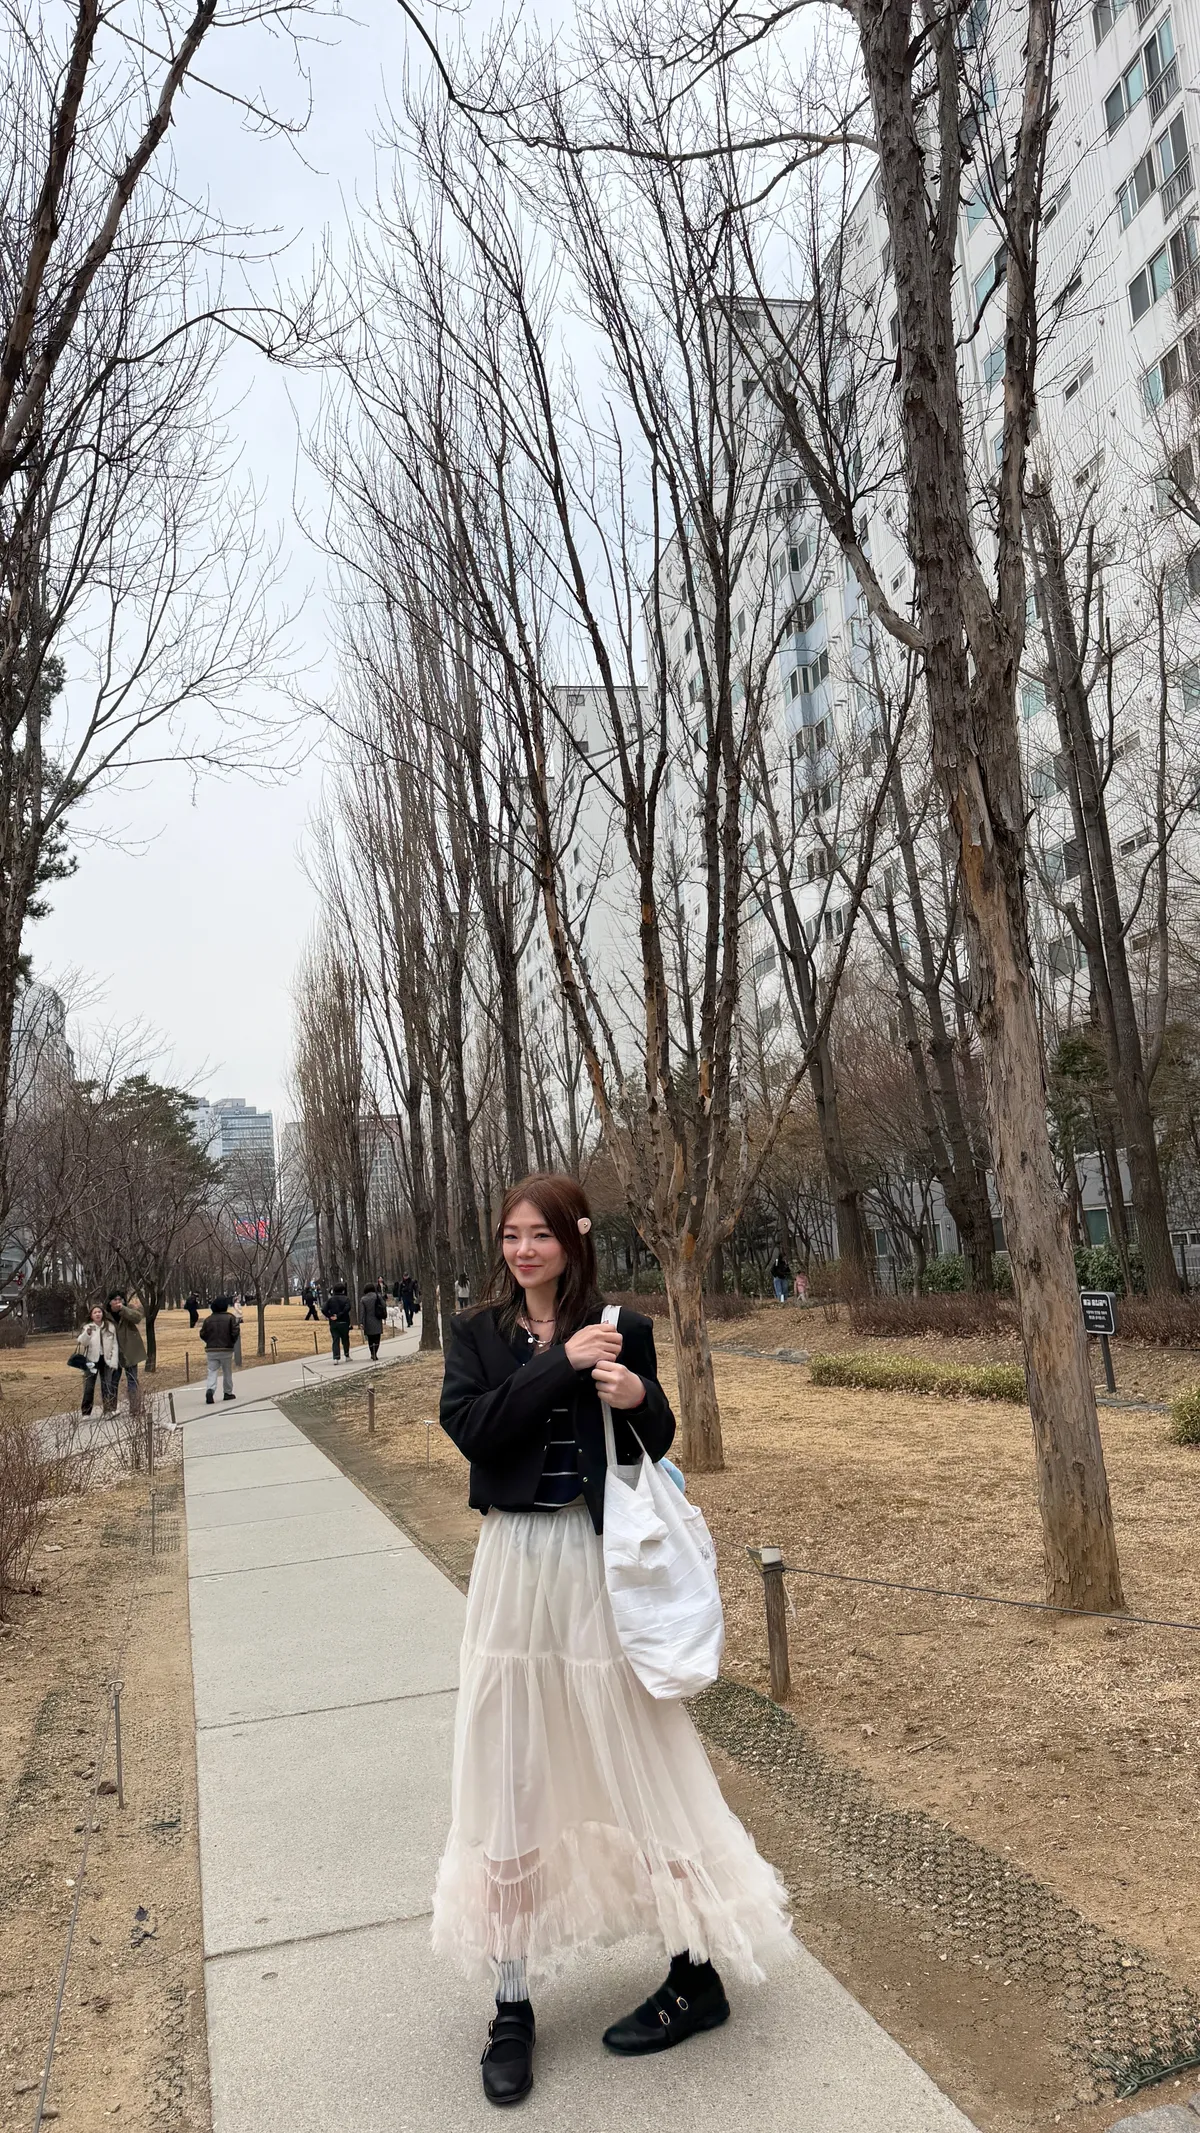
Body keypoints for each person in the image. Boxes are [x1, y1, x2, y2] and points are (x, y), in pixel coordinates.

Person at [434, 1171, 792, 2108]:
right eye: (511, 1235)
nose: (523, 1251)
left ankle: (695, 1970)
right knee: (511, 1763)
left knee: (641, 1747)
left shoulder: (622, 1324)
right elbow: (476, 1431)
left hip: (601, 1565)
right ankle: (511, 2000)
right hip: (515, 1566)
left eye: (540, 1234)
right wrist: (558, 1363)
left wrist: (634, 1392)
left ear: (574, 1238)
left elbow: (658, 1436)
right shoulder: (476, 1335)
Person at [75, 1304, 120, 1417]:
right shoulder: (88, 1327)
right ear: (91, 1315)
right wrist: (87, 1334)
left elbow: (115, 1344)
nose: (97, 1314)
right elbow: (82, 1342)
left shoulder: (110, 1326)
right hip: (91, 1360)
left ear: (103, 1313)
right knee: (89, 1387)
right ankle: (86, 1412)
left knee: (107, 1386)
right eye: (95, 1312)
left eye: (99, 1312)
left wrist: (114, 1361)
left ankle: (108, 1411)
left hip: (106, 1360)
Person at [103, 1291, 146, 1409]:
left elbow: (138, 1318)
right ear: (109, 1302)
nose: (118, 1302)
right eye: (115, 1300)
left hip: (129, 1350)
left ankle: (135, 1408)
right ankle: (111, 1409)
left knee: (132, 1380)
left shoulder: (127, 1311)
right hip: (113, 1353)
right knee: (112, 1381)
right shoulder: (106, 1316)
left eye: (120, 1299)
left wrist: (124, 1309)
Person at [200, 1297, 239, 1403]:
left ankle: (210, 1389)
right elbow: (235, 1332)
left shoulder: (208, 1319)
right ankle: (227, 1392)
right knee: (227, 1371)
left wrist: (209, 1341)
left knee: (212, 1371)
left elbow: (202, 1334)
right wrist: (231, 1342)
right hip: (226, 1349)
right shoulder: (230, 1318)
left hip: (211, 1349)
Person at [324, 1281, 352, 1362]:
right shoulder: (346, 1299)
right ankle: (347, 1355)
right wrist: (340, 1315)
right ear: (343, 1290)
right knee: (345, 1339)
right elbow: (347, 1308)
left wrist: (330, 1316)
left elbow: (324, 1309)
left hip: (334, 1323)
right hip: (344, 1321)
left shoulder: (330, 1300)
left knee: (335, 1339)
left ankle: (336, 1357)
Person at [360, 1280, 387, 1360]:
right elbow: (384, 1305)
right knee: (377, 1338)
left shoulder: (363, 1299)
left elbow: (362, 1312)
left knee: (370, 1339)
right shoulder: (378, 1296)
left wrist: (361, 1322)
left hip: (368, 1321)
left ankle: (372, 1352)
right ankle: (375, 1352)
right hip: (377, 1319)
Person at [230, 1292, 244, 1368]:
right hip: (237, 1314)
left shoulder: (238, 1304)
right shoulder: (236, 1304)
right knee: (237, 1320)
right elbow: (237, 1309)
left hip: (239, 1314)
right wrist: (240, 1311)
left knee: (240, 1319)